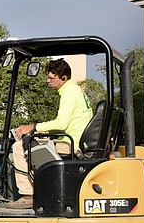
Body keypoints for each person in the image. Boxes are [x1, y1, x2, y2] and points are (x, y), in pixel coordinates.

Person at [9, 59, 92, 208]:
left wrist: (32, 127)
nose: (47, 81)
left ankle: (28, 194)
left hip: (71, 145)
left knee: (19, 147)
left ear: (63, 78)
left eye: (51, 78)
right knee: (34, 143)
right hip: (74, 140)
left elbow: (62, 123)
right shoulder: (75, 90)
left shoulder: (69, 92)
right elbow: (69, 123)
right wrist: (47, 131)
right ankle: (41, 190)